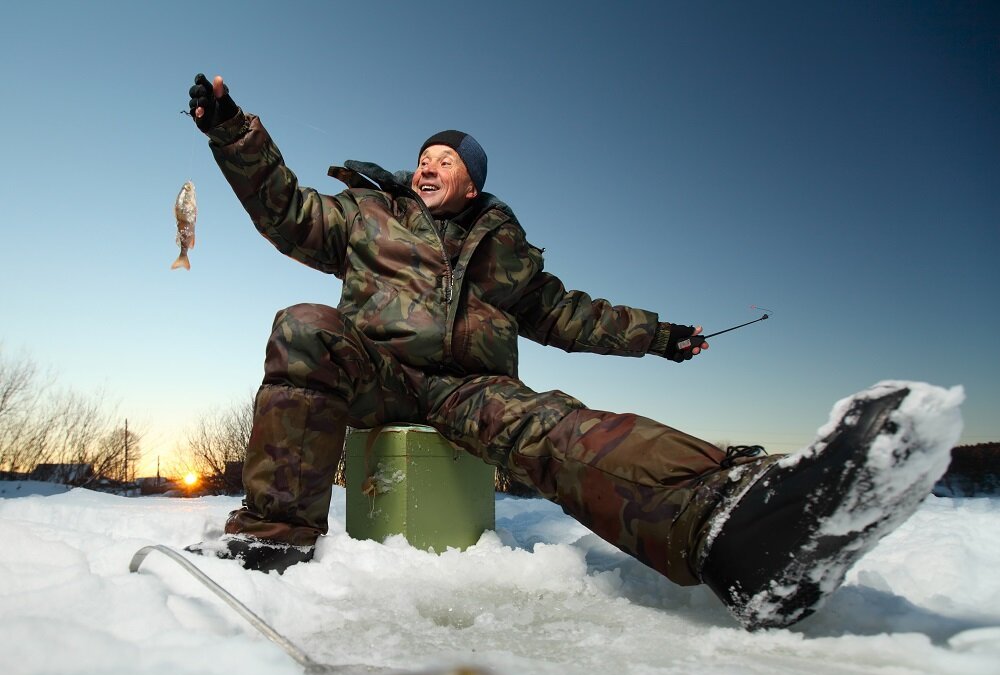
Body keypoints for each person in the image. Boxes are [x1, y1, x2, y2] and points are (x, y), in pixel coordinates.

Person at [184, 73, 949, 631]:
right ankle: (275, 537)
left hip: (470, 386)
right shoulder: (365, 215)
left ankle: (727, 522)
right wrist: (233, 130)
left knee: (556, 427)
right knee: (304, 325)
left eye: (443, 159)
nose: (426, 164)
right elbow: (284, 209)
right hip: (376, 369)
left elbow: (575, 315)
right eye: (422, 156)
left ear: (473, 180)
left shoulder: (504, 254)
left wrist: (664, 336)